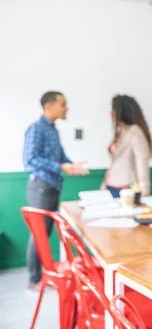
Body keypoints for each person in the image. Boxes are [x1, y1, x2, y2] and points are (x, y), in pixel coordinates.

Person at [23, 91, 89, 290]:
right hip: (41, 187)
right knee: (39, 234)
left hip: (52, 186)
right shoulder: (36, 129)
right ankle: (34, 280)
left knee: (45, 232)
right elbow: (30, 160)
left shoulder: (53, 130)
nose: (66, 108)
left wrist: (71, 166)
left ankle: (43, 277)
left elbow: (60, 158)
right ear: (49, 107)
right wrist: (61, 167)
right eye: (63, 104)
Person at [101, 95, 152, 198]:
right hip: (110, 186)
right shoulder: (121, 132)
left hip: (126, 188)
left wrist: (144, 190)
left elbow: (142, 161)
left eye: (114, 110)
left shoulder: (135, 132)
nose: (110, 113)